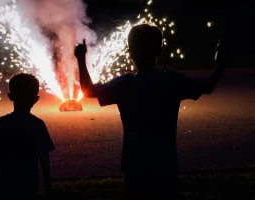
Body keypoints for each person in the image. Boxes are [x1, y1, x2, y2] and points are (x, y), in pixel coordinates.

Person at [74, 24, 226, 199]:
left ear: (130, 53)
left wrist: (81, 59)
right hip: (165, 164)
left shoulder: (126, 85)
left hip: (135, 165)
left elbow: (87, 91)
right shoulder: (173, 81)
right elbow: (208, 86)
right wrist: (221, 64)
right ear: (160, 50)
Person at [0, 73, 56, 200]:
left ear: (10, 96)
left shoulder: (2, 123)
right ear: (36, 99)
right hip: (28, 184)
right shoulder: (38, 125)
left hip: (4, 183)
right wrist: (47, 183)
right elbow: (44, 158)